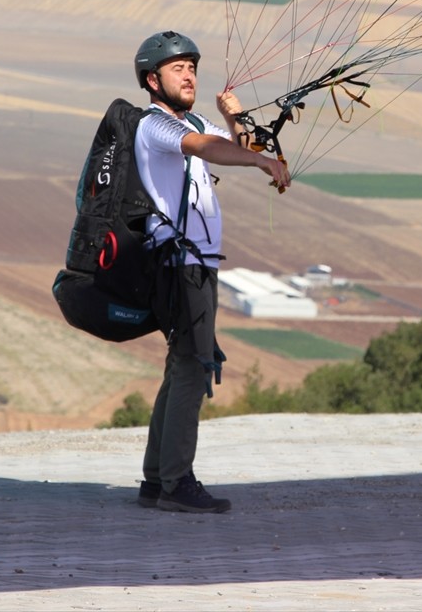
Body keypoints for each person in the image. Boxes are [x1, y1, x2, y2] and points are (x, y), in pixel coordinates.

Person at [132, 30, 290, 514]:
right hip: (179, 264)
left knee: (181, 364)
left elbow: (232, 141)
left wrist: (234, 118)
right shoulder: (154, 126)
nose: (189, 76)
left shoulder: (197, 120)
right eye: (177, 68)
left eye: (192, 68)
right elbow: (207, 148)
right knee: (193, 368)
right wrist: (259, 161)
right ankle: (176, 483)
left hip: (197, 263)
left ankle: (157, 478)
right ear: (152, 80)